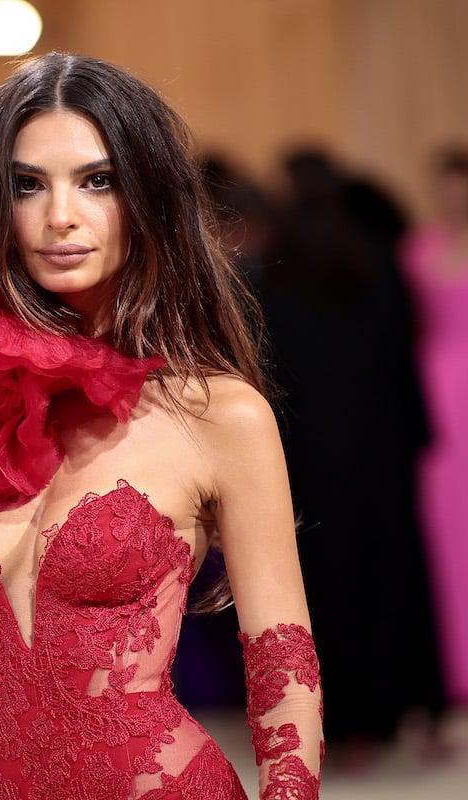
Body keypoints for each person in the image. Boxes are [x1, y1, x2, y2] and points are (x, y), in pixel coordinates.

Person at [0, 53, 323, 799]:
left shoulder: (220, 416)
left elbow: (281, 665)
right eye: (28, 185)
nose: (61, 216)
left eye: (98, 180)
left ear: (147, 197)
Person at [259, 150, 445, 761]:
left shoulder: (273, 276)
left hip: (310, 459)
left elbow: (270, 379)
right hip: (382, 452)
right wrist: (416, 439)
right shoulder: (377, 264)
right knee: (400, 579)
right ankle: (418, 712)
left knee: (325, 588)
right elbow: (402, 358)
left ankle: (347, 726)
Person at [400, 146, 468, 710]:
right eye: (447, 183)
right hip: (433, 387)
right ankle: (448, 668)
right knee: (440, 530)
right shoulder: (416, 249)